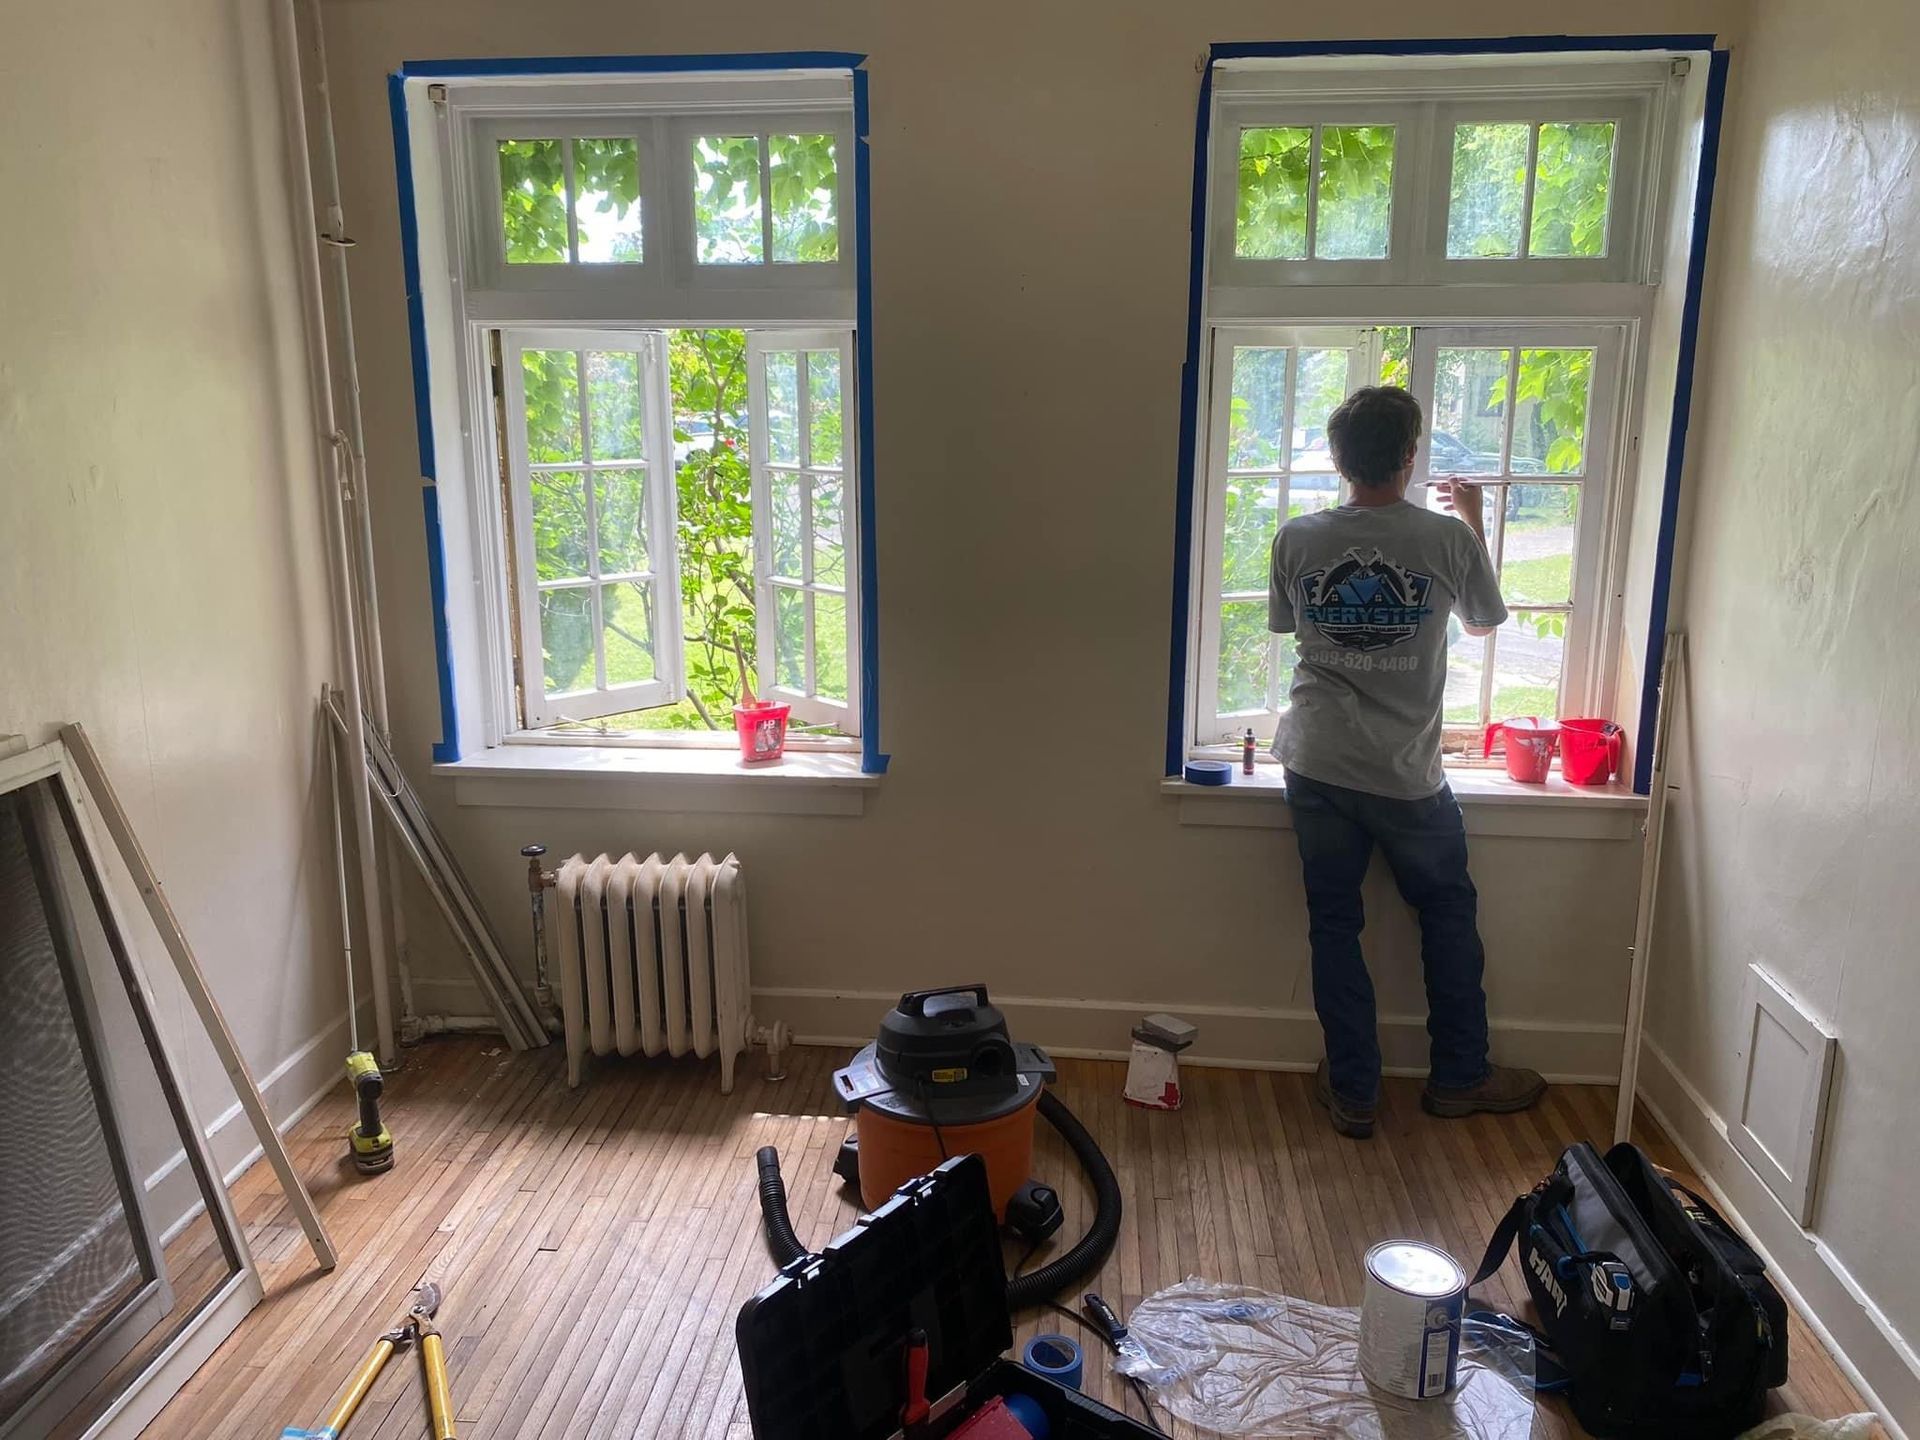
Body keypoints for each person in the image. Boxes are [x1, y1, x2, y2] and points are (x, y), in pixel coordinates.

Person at [1267, 385, 1547, 1139]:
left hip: (1318, 761)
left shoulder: (1297, 538)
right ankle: (1460, 1076)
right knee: (1447, 913)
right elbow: (1484, 622)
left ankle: (1354, 1091)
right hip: (1406, 773)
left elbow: (1287, 625)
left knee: (1334, 924)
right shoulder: (1446, 540)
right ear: (1411, 455)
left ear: (1337, 458)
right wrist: (1474, 520)